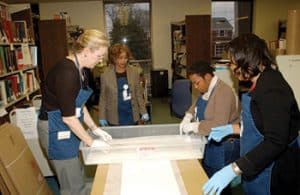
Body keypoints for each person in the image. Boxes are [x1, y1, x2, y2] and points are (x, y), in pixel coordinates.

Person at [203, 33, 300, 195]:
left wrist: (235, 168)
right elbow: (263, 121)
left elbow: (275, 141)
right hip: (257, 167)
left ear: (249, 59)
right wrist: (234, 129)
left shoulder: (272, 89)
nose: (231, 67)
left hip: (274, 173)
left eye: (234, 62)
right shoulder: (259, 82)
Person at [43, 29, 112, 195]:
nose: (101, 61)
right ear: (87, 51)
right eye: (99, 56)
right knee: (71, 183)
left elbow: (79, 104)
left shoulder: (82, 70)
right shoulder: (66, 73)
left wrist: (95, 129)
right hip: (55, 129)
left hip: (67, 125)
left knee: (77, 172)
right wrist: (91, 142)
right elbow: (69, 118)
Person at [180, 61, 240, 189]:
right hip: (210, 143)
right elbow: (197, 103)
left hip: (223, 147)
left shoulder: (223, 92)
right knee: (207, 178)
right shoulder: (207, 89)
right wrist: (188, 116)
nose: (196, 87)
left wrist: (195, 126)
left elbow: (219, 124)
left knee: (219, 186)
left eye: (197, 82)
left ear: (207, 77)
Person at [98, 43, 149, 126]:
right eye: (120, 58)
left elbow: (138, 94)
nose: (123, 61)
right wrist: (101, 116)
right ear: (114, 58)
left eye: (125, 58)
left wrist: (143, 111)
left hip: (131, 113)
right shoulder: (105, 74)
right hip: (114, 115)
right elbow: (103, 97)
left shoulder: (134, 71)